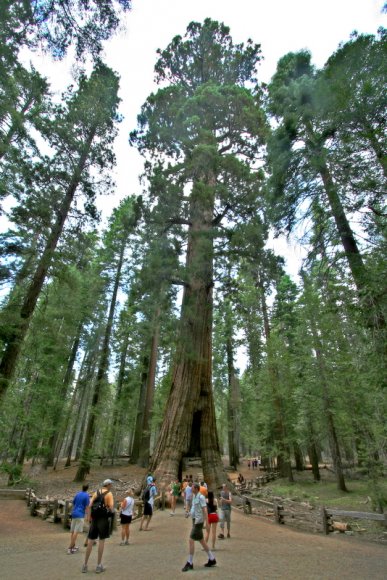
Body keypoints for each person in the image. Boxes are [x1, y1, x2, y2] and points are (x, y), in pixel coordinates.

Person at [181, 482, 216, 572]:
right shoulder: (194, 496)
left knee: (191, 540)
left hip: (198, 522)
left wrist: (207, 522)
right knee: (202, 541)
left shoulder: (201, 497)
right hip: (194, 521)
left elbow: (204, 509)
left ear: (196, 489)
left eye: (192, 488)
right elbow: (194, 508)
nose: (190, 489)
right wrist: (188, 513)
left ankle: (190, 562)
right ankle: (212, 559)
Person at [82, 479, 114, 574]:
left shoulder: (96, 492)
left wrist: (89, 518)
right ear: (108, 485)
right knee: (101, 541)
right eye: (111, 484)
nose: (111, 486)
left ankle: (85, 565)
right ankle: (98, 565)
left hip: (94, 519)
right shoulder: (109, 494)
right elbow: (111, 508)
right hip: (103, 519)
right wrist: (111, 512)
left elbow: (90, 505)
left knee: (91, 540)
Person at [68, 484, 90, 554]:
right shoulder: (87, 496)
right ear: (87, 489)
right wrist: (88, 516)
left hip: (74, 513)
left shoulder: (77, 494)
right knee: (76, 532)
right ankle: (70, 548)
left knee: (73, 531)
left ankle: (73, 545)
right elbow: (87, 507)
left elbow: (74, 503)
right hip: (80, 514)